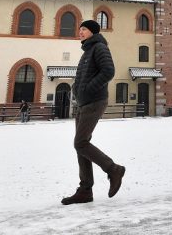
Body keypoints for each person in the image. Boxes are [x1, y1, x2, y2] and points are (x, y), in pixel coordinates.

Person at [61, 20, 126, 205]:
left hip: (95, 101)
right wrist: (76, 89)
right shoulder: (87, 51)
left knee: (80, 143)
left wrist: (88, 89)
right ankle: (85, 190)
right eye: (79, 29)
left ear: (93, 32)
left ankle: (113, 169)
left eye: (84, 29)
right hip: (84, 103)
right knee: (81, 145)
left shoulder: (99, 47)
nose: (80, 32)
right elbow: (82, 76)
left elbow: (108, 71)